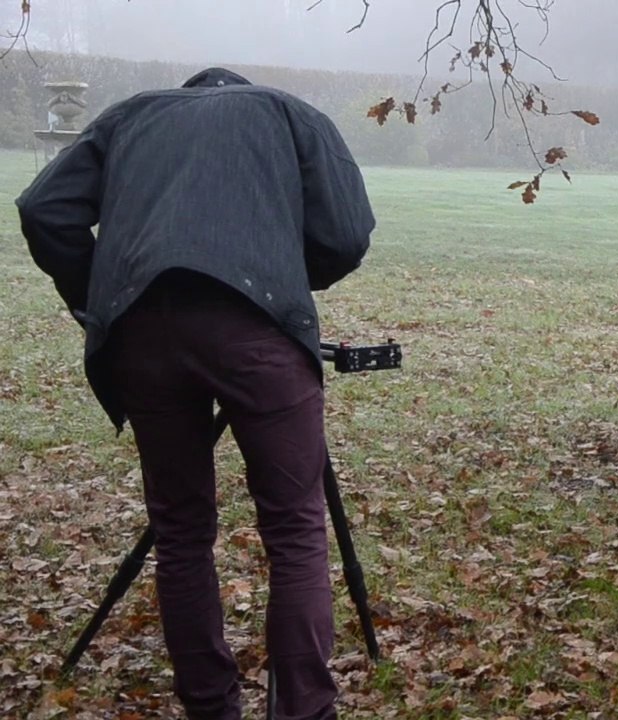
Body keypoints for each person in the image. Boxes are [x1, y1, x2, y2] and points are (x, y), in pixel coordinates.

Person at [16, 67, 375, 719]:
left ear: (188, 93)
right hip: (259, 336)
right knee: (293, 529)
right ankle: (304, 712)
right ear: (237, 88)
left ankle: (211, 708)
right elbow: (347, 235)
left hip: (144, 337)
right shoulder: (290, 113)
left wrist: (98, 297)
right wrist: (282, 280)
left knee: (180, 529)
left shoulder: (130, 115)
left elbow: (43, 210)